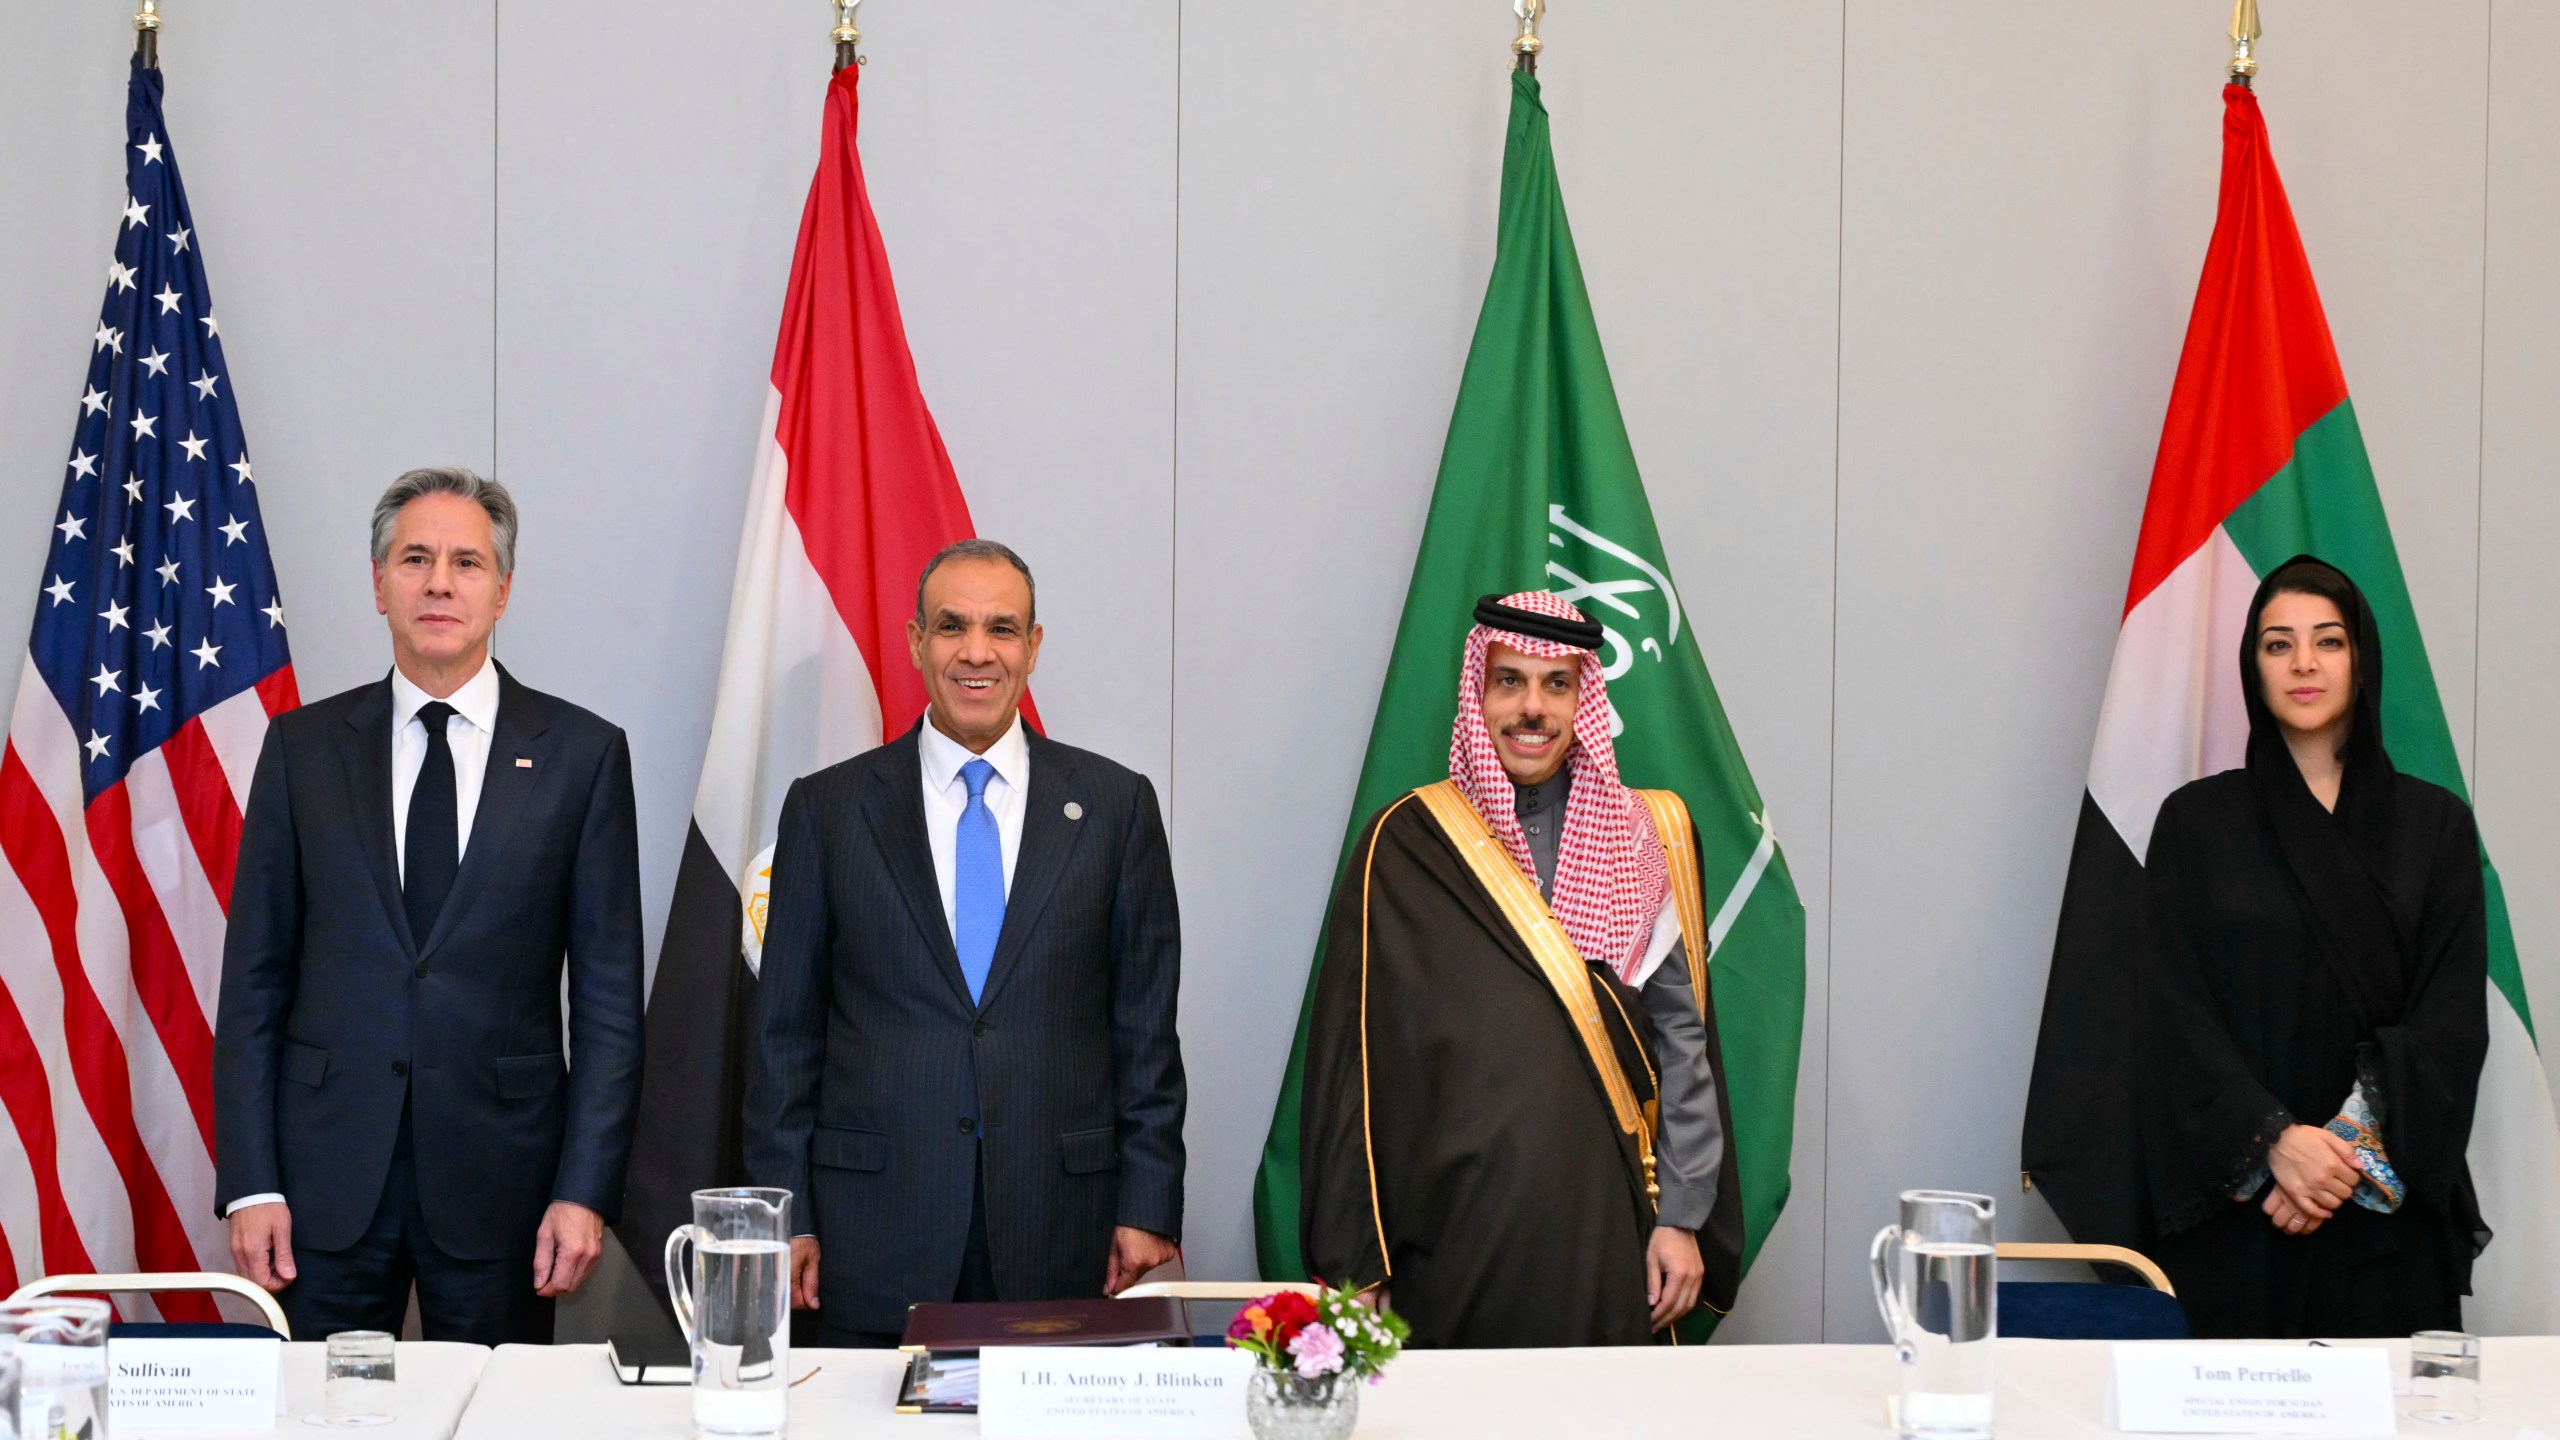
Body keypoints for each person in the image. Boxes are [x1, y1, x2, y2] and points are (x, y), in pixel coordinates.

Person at [214, 467, 645, 1344]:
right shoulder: (302, 750)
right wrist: (252, 1182)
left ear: (503, 589)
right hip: (323, 1189)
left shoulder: (582, 756)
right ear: (379, 585)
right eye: (415, 559)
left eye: (466, 562)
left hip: (507, 1189)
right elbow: (254, 981)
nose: (439, 582)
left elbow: (606, 1004)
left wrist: (583, 1189)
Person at [744, 539, 1186, 1347]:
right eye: (952, 627)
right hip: (869, 1228)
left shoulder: (1116, 809)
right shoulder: (829, 811)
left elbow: (1145, 1033)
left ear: (1034, 646)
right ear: (917, 642)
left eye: (1002, 629)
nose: (977, 652)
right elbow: (784, 1036)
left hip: (1062, 1224)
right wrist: (789, 1212)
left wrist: (1148, 1205)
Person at [1300, 591, 1745, 1348]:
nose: (1531, 708)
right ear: (1479, 693)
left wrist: (1681, 1218)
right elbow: (1353, 1075)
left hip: (1610, 1233)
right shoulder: (1404, 847)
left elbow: (1682, 1045)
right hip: (1449, 1239)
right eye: (1510, 682)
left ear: (1584, 700)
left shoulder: (1645, 839)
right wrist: (1357, 1262)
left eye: (1555, 684)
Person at [2138, 555, 2488, 1338]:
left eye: (2327, 641)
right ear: (2251, 668)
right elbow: (2170, 1012)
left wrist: (2339, 1153)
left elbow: (2452, 1018)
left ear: (2360, 658)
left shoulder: (2436, 827)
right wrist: (2272, 1144)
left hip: (2381, 1215)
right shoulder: (2195, 822)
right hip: (2242, 1211)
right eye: (2277, 644)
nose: (2303, 663)